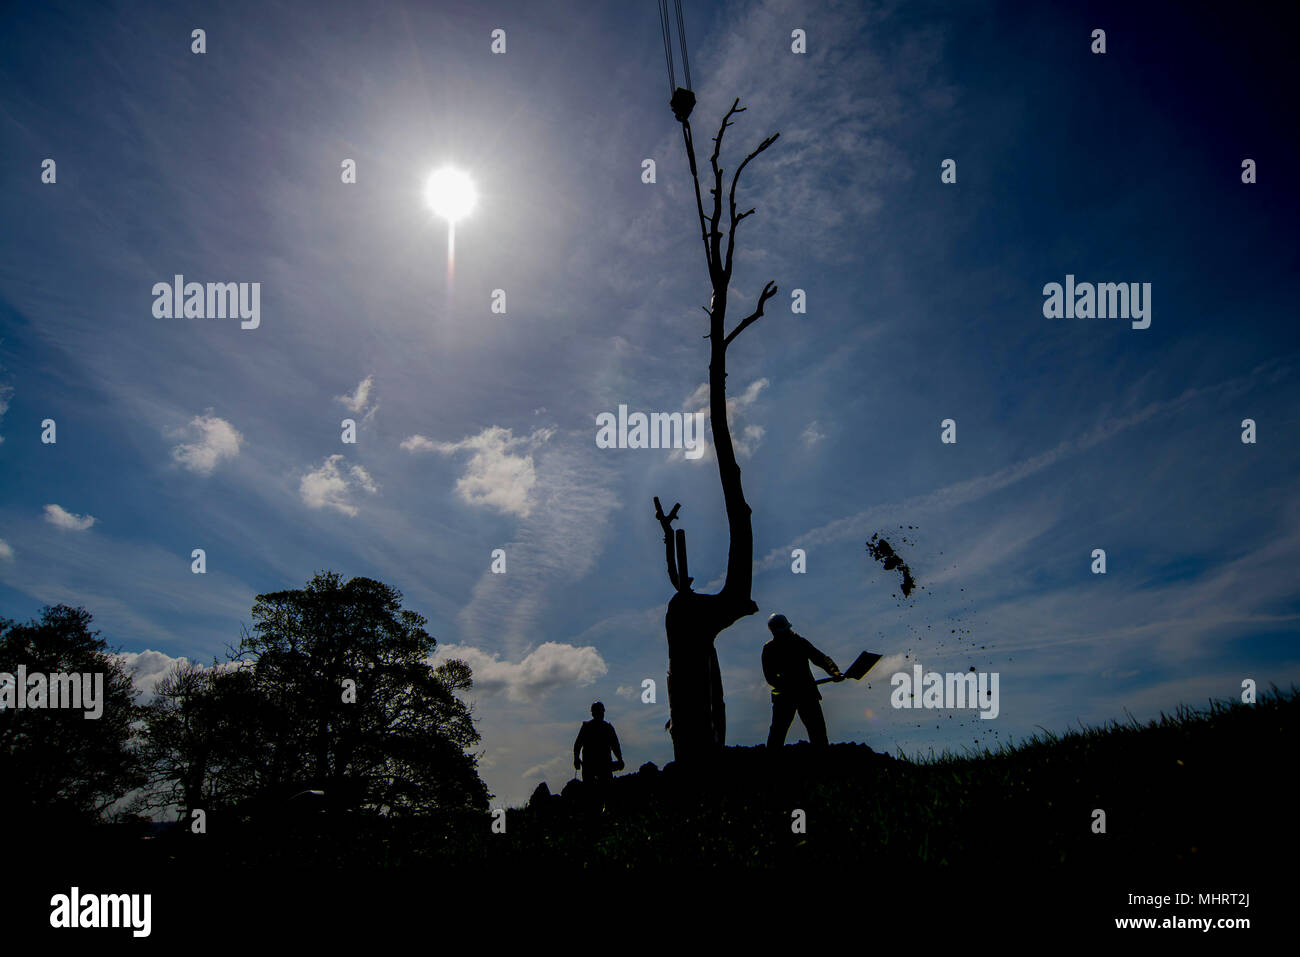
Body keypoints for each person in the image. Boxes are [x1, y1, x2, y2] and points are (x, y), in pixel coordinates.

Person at [762, 613, 843, 749]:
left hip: (807, 694)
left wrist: (834, 672)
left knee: (818, 736)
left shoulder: (799, 642)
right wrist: (787, 686)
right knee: (777, 736)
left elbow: (820, 658)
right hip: (785, 697)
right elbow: (770, 676)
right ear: (774, 633)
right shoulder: (769, 649)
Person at [574, 701, 624, 784]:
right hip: (595, 766)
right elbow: (578, 745)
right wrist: (620, 760)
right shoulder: (604, 728)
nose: (601, 714)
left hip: (597, 765)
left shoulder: (604, 728)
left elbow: (615, 746)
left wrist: (576, 759)